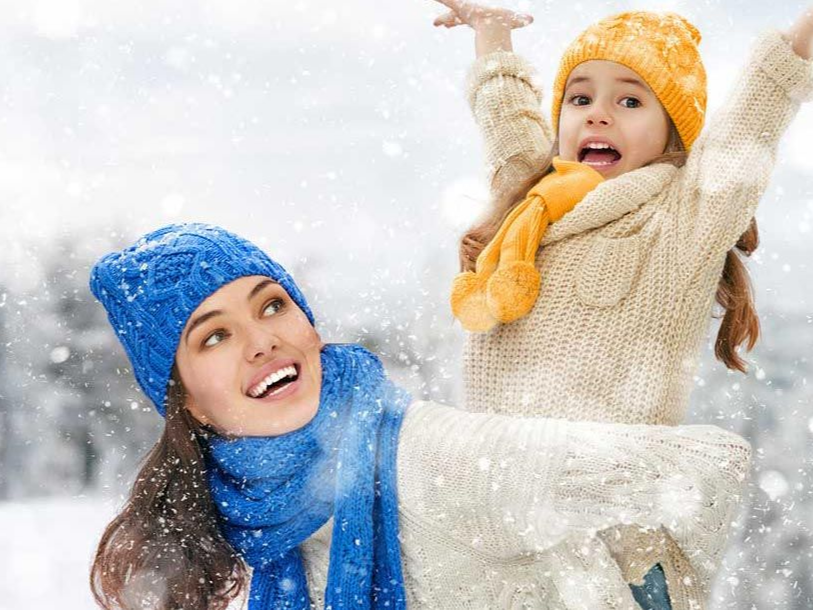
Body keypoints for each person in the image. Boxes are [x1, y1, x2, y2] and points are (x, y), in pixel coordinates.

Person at [87, 223, 751, 610]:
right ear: (186, 402)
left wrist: (649, 584)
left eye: (270, 306)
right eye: (215, 336)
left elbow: (706, 469)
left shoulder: (434, 458)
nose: (262, 340)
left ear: (308, 326)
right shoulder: (249, 522)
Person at [433, 2, 813, 608]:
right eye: (579, 99)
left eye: (630, 101)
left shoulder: (683, 221)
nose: (598, 115)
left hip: (616, 551)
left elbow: (754, 116)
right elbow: (508, 122)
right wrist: (490, 31)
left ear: (672, 135)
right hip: (507, 536)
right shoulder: (533, 203)